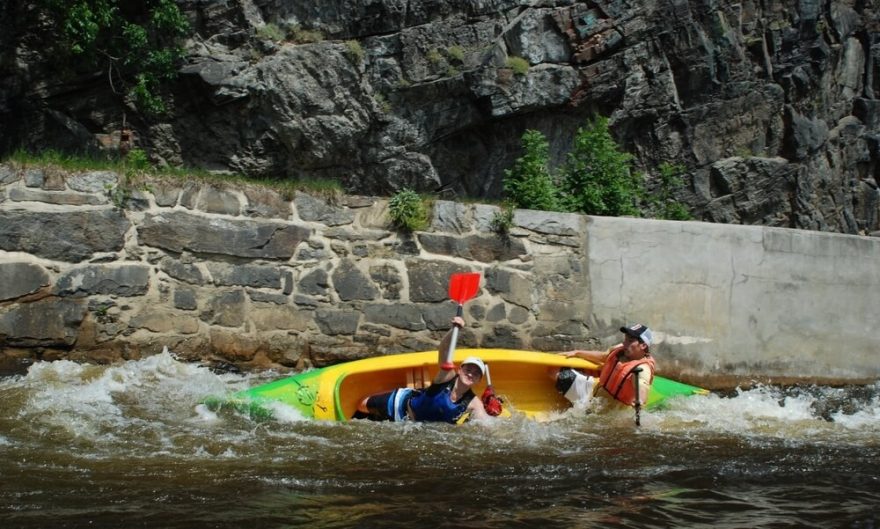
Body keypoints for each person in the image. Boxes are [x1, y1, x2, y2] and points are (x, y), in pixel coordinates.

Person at [354, 316, 498, 423]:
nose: (471, 374)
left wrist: (493, 413)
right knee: (361, 406)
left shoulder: (473, 403)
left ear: (479, 380)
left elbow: (488, 426)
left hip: (411, 427)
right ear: (460, 370)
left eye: (476, 373)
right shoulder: (448, 376)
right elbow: (444, 350)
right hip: (399, 405)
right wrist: (454, 330)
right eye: (468, 369)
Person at [551, 323, 656, 408]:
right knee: (554, 371)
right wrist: (577, 352)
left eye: (630, 341)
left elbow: (642, 388)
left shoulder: (642, 369)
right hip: (593, 393)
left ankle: (577, 406)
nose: (624, 343)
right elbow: (603, 357)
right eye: (625, 339)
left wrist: (640, 401)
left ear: (643, 345)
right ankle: (578, 404)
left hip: (612, 411)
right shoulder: (620, 349)